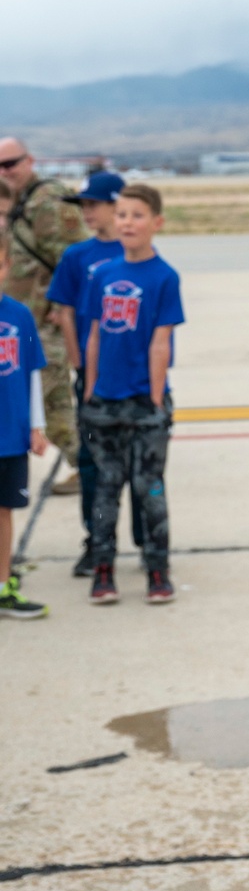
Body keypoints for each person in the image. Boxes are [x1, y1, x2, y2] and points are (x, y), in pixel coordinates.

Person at [81, 184, 184, 606]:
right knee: (106, 487)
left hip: (146, 400)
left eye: (137, 215)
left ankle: (157, 566)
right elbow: (93, 336)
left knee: (149, 487)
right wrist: (90, 390)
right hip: (105, 400)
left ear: (156, 223)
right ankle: (102, 566)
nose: (127, 222)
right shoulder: (102, 275)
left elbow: (161, 342)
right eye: (121, 214)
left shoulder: (164, 277)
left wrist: (156, 399)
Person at [46, 171, 144, 577]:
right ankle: (96, 543)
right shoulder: (77, 256)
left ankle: (148, 542)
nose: (86, 211)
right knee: (92, 463)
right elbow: (64, 310)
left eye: (93, 204)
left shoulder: (137, 252)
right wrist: (78, 362)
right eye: (82, 205)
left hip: (135, 378)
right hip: (93, 376)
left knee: (142, 462)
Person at [0, 138, 87, 492]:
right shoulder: (19, 203)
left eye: (10, 164)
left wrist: (61, 305)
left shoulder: (48, 202)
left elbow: (76, 258)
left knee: (48, 398)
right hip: (23, 322)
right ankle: (85, 464)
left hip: (45, 323)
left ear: (30, 161)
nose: (4, 172)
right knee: (53, 402)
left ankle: (87, 465)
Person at [0, 231, 50, 619]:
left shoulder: (19, 314)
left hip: (11, 439)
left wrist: (36, 426)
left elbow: (33, 375)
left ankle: (3, 585)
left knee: (5, 511)